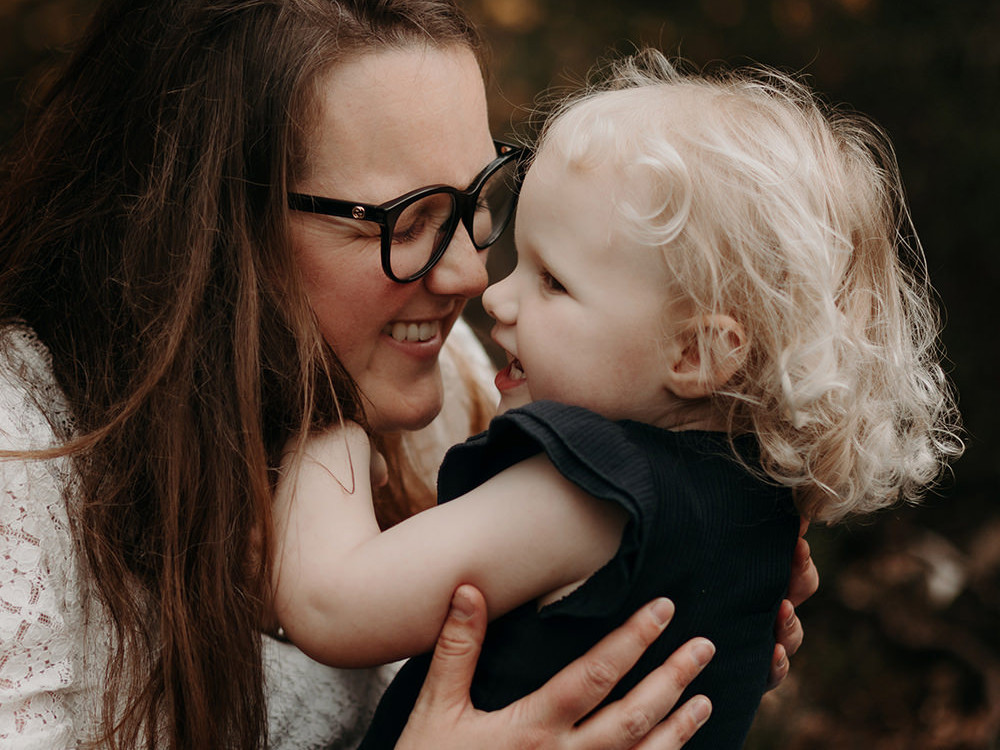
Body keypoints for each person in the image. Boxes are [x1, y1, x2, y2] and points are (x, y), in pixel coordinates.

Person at [0, 3, 816, 748]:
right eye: (409, 219)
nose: (472, 276)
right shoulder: (21, 482)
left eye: (475, 201)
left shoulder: (454, 377)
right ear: (204, 228)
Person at [270, 50, 963, 749]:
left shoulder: (591, 492)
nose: (494, 294)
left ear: (694, 353)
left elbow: (330, 603)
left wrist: (326, 424)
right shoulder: (756, 510)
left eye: (552, 282)